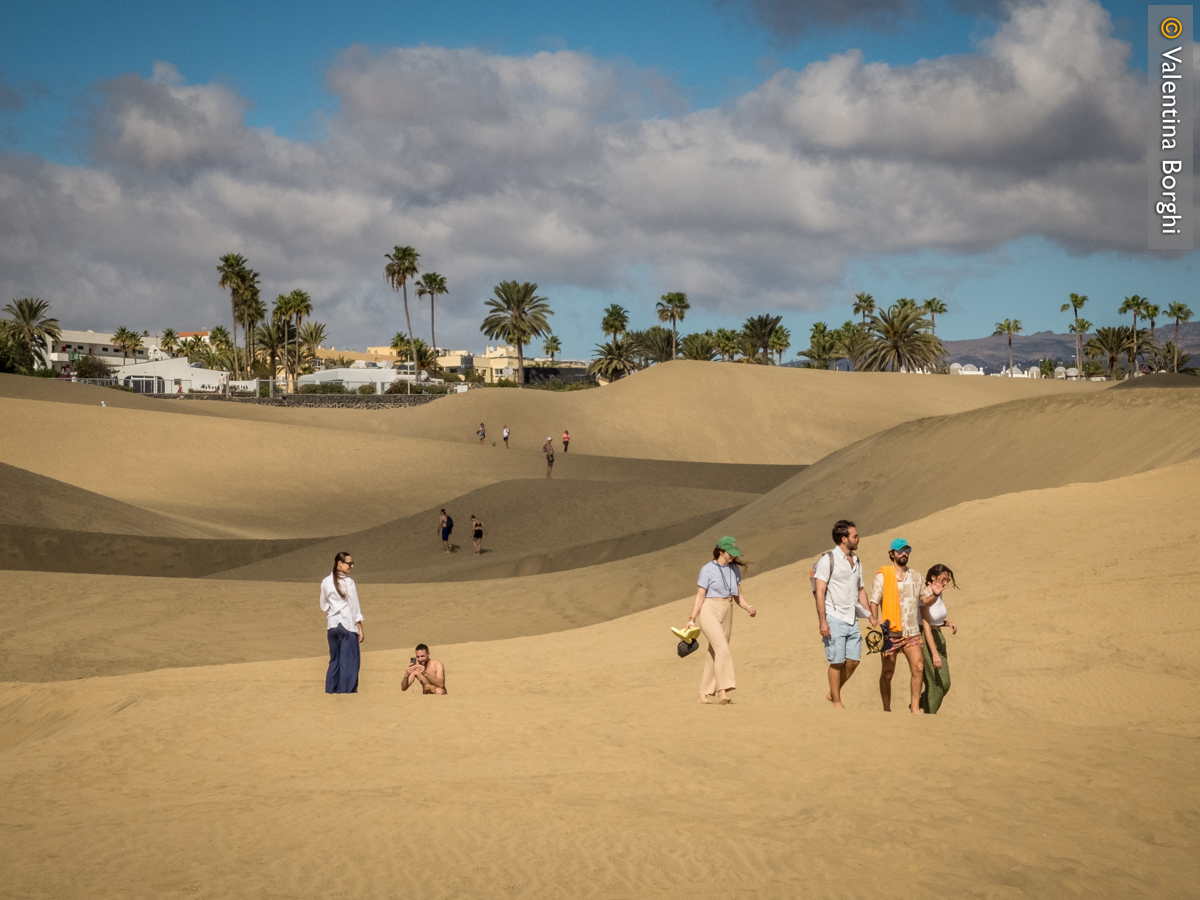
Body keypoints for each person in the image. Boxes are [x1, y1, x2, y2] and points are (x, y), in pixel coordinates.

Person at [683, 536, 756, 704]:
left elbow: (739, 596)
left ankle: (704, 694)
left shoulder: (734, 570)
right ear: (721, 551)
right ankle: (723, 690)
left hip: (727, 610)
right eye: (730, 553)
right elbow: (700, 597)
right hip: (709, 609)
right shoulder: (707, 569)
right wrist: (692, 619)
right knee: (722, 649)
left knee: (714, 653)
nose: (732, 556)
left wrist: (748, 607)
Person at [812, 519, 876, 709]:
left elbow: (860, 590)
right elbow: (820, 592)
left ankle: (833, 693)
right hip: (834, 617)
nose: (858, 539)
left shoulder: (856, 561)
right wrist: (823, 621)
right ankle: (837, 702)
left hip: (852, 617)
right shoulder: (828, 560)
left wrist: (871, 615)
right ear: (844, 539)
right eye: (855, 536)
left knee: (854, 660)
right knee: (837, 661)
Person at [869, 538, 925, 713]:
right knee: (887, 672)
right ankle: (887, 709)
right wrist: (876, 624)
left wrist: (936, 594)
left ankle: (914, 708)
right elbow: (874, 601)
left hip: (911, 631)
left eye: (906, 550)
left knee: (918, 667)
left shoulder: (916, 576)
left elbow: (925, 599)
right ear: (892, 554)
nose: (904, 553)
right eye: (900, 550)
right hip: (890, 632)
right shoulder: (884, 575)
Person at [319, 551, 364, 694]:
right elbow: (354, 606)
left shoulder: (326, 581)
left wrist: (333, 610)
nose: (352, 566)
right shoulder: (348, 582)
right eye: (349, 563)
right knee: (349, 662)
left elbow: (323, 605)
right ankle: (346, 692)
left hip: (332, 626)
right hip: (347, 625)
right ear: (339, 563)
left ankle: (331, 691)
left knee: (334, 660)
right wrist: (360, 627)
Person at [919, 564, 958, 714]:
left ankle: (921, 701)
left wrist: (948, 623)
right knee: (934, 683)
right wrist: (934, 653)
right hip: (927, 639)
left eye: (946, 580)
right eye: (942, 579)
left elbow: (935, 619)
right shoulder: (926, 595)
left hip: (939, 637)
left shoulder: (938, 593)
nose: (944, 583)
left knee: (945, 683)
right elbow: (926, 625)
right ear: (933, 577)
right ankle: (929, 716)